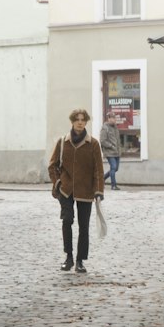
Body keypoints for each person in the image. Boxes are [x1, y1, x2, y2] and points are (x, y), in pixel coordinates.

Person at [48, 108, 104, 273]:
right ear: (72, 122)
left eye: (83, 119)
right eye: (77, 119)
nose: (80, 122)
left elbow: (98, 170)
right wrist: (57, 182)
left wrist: (99, 190)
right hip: (66, 190)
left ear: (86, 122)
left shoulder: (93, 144)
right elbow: (52, 165)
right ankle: (69, 257)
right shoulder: (62, 142)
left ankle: (80, 260)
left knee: (84, 226)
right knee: (67, 221)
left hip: (86, 191)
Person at [99, 112, 121, 191]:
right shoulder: (105, 128)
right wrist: (111, 146)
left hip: (117, 152)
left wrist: (119, 149)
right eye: (112, 118)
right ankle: (113, 185)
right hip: (109, 152)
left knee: (116, 168)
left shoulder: (115, 128)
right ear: (108, 119)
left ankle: (102, 179)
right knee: (113, 167)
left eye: (115, 118)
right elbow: (102, 141)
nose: (114, 119)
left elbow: (118, 140)